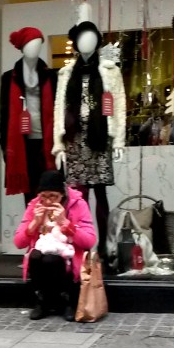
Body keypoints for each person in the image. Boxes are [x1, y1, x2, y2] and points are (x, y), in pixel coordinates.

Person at [52, 21, 126, 253]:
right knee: (78, 196)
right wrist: (58, 144)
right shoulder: (66, 73)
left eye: (92, 38)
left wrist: (119, 140)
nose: (87, 43)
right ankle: (79, 246)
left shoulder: (110, 70)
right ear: (75, 43)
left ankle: (105, 247)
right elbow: (59, 109)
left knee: (101, 194)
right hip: (74, 140)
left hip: (100, 138)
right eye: (83, 38)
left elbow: (120, 105)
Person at [13, 169, 97, 321]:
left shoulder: (78, 204)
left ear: (62, 194)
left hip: (68, 257)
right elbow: (18, 242)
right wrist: (34, 224)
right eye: (43, 196)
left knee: (51, 259)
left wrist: (66, 223)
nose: (48, 201)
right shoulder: (35, 205)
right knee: (36, 256)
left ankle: (66, 301)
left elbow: (89, 241)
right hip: (42, 253)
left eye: (53, 196)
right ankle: (43, 300)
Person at [0, 27, 57, 202]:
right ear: (22, 48)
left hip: (47, 143)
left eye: (38, 44)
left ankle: (50, 228)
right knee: (30, 195)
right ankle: (32, 228)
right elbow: (4, 115)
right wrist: (4, 147)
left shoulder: (50, 76)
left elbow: (59, 111)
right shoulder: (9, 78)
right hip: (23, 144)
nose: (35, 49)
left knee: (51, 192)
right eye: (31, 44)